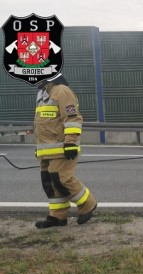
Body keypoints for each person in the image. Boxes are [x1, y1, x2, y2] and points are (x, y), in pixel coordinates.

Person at [33, 73, 98, 229]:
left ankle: (88, 204)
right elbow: (43, 123)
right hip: (45, 150)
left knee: (62, 179)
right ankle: (57, 217)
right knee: (50, 184)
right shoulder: (43, 94)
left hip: (62, 147)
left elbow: (73, 118)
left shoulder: (62, 91)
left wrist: (70, 142)